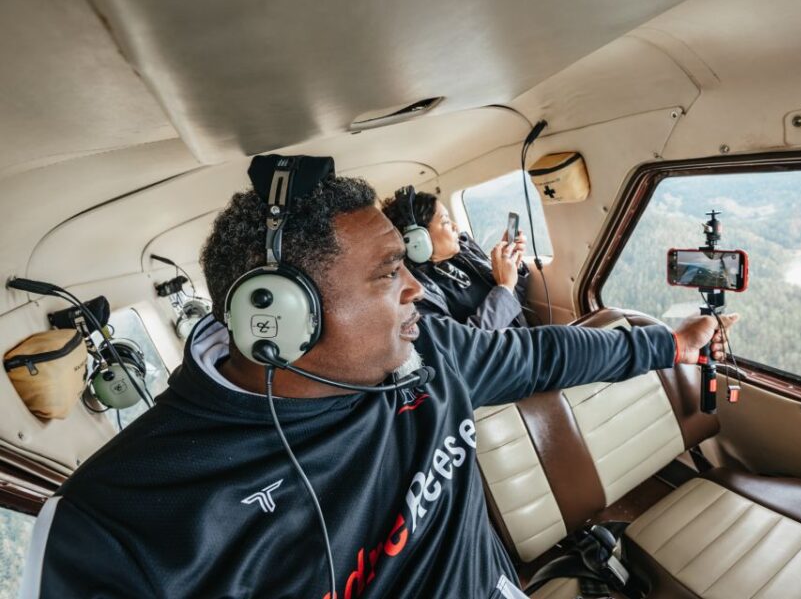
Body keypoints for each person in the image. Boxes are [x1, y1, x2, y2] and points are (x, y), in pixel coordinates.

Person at [21, 159, 737, 599]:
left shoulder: (430, 352)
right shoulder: (116, 522)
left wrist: (667, 344)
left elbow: (550, 357)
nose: (417, 290)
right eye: (389, 273)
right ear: (276, 315)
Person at [381, 187, 531, 329]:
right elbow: (465, 347)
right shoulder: (416, 295)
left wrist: (512, 266)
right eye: (446, 221)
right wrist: (505, 286)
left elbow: (515, 304)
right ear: (418, 240)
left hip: (525, 341)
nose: (456, 227)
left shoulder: (466, 252)